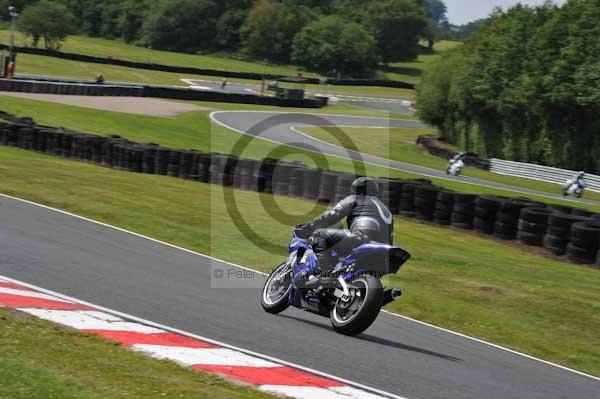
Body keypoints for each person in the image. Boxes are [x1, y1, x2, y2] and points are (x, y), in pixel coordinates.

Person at [295, 177, 394, 284]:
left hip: (361, 240)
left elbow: (332, 215)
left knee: (319, 235)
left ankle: (325, 274)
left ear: (357, 190)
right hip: (384, 254)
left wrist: (309, 226)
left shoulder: (356, 198)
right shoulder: (386, 209)